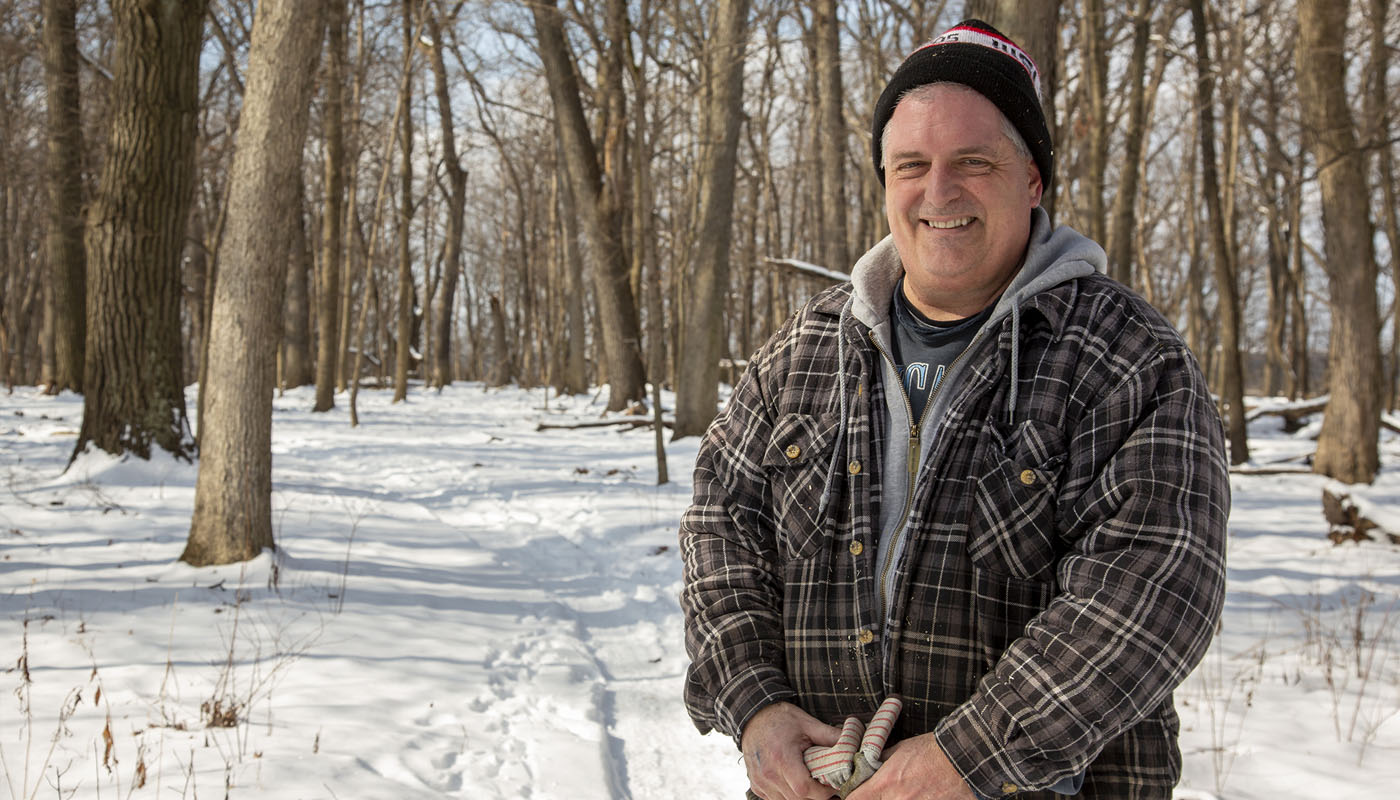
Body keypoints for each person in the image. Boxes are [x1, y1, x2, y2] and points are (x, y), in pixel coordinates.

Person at [679, 18, 1229, 800]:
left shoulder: (1127, 358)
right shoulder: (804, 352)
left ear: (1031, 179)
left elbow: (1157, 590)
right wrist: (754, 703)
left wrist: (969, 758)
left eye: (973, 162)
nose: (938, 192)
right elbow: (719, 529)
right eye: (912, 165)